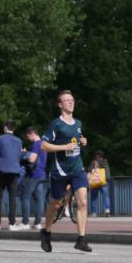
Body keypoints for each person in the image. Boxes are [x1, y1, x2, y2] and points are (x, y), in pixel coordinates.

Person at [40, 90, 92, 253]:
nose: (71, 102)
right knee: (55, 204)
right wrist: (63, 147)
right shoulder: (56, 124)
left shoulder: (78, 123)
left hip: (77, 168)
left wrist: (83, 141)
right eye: (67, 100)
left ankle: (81, 239)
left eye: (72, 100)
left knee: (82, 201)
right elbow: (43, 146)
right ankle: (46, 232)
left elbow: (77, 140)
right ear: (60, 104)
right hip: (60, 171)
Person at [0, 119, 24, 230]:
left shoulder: (0, 139)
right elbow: (19, 156)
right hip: (14, 171)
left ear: (5, 127)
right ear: (13, 129)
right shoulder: (19, 141)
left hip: (2, 171)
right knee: (12, 198)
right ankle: (12, 223)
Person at [20, 127, 47, 230]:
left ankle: (25, 222)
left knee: (25, 197)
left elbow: (32, 159)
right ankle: (37, 223)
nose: (28, 139)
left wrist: (23, 154)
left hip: (33, 174)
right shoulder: (44, 144)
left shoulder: (36, 144)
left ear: (32, 134)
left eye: (28, 136)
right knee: (39, 199)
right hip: (41, 174)